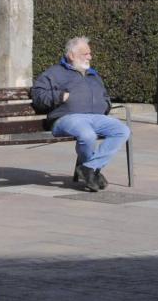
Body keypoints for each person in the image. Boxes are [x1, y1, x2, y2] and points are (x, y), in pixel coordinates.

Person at [32, 36, 131, 192]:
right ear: (71, 55)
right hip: (66, 118)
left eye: (89, 53)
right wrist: (59, 96)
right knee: (87, 135)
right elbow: (37, 95)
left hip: (96, 118)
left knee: (122, 130)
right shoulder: (55, 73)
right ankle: (91, 172)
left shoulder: (93, 74)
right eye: (85, 54)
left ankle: (89, 168)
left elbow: (104, 95)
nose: (90, 57)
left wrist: (105, 104)